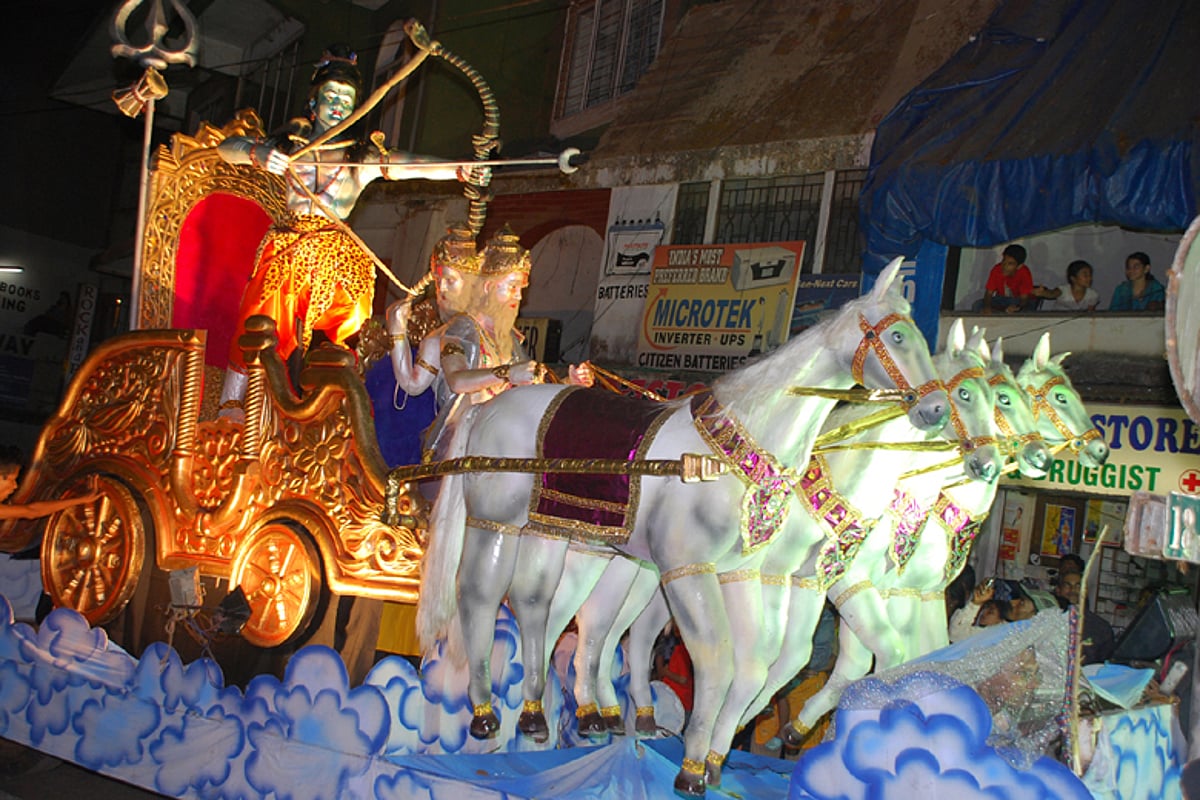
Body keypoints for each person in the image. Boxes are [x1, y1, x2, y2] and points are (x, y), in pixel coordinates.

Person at [216, 44, 488, 416]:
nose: (339, 105)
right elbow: (225, 148)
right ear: (313, 104)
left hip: (338, 255)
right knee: (263, 314)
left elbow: (410, 164)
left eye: (347, 98)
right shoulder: (288, 147)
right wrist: (256, 153)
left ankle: (339, 402)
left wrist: (461, 170)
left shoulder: (361, 158)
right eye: (330, 96)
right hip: (290, 249)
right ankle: (233, 403)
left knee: (353, 325)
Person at [430, 225, 593, 460]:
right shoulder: (463, 328)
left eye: (521, 290)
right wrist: (507, 373)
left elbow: (528, 387)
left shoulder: (509, 337)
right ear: (488, 287)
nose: (518, 297)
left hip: (503, 431)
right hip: (464, 438)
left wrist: (568, 382)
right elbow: (457, 380)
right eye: (512, 288)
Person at [1054, 569, 1114, 664]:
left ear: (1085, 591)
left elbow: (1104, 664)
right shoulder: (1048, 620)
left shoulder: (1101, 627)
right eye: (1067, 585)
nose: (1073, 590)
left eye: (1078, 586)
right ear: (1058, 590)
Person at [977, 244, 1035, 314]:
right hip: (1001, 300)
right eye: (1003, 261)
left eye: (1010, 264)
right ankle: (1004, 312)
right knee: (977, 305)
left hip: (1019, 300)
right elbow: (988, 293)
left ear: (1019, 266)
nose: (1004, 266)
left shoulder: (1024, 272)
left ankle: (1002, 312)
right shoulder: (997, 269)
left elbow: (1024, 299)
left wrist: (1017, 307)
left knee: (1026, 311)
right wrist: (987, 307)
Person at [1035, 259, 1099, 312]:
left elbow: (1090, 315)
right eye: (1085, 275)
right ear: (1073, 278)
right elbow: (1052, 293)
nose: (1089, 278)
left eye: (1090, 275)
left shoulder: (1093, 295)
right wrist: (1043, 293)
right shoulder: (1064, 290)